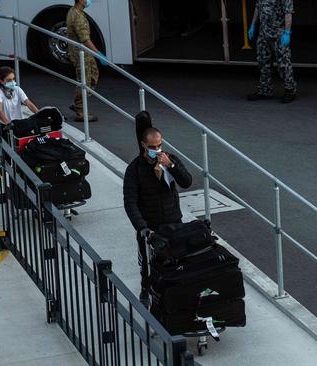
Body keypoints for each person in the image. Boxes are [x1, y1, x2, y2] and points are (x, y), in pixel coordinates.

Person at [123, 112, 193, 307]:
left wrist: (171, 166)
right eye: (152, 147)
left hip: (173, 223)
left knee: (177, 262)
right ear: (144, 145)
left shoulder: (169, 160)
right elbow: (130, 202)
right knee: (148, 265)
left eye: (159, 145)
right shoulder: (135, 169)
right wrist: (143, 228)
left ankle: (175, 298)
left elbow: (187, 181)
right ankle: (147, 293)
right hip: (150, 227)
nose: (157, 149)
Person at [247, 0, 297, 103]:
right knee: (263, 62)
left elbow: (288, 13)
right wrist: (253, 25)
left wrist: (287, 32)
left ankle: (290, 90)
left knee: (283, 64)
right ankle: (265, 90)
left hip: (278, 34)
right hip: (264, 33)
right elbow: (258, 7)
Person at [66, 0, 107, 123]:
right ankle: (80, 111)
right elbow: (85, 40)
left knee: (92, 78)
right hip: (81, 54)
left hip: (84, 54)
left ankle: (78, 103)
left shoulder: (77, 12)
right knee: (84, 81)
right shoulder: (77, 15)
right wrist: (98, 54)